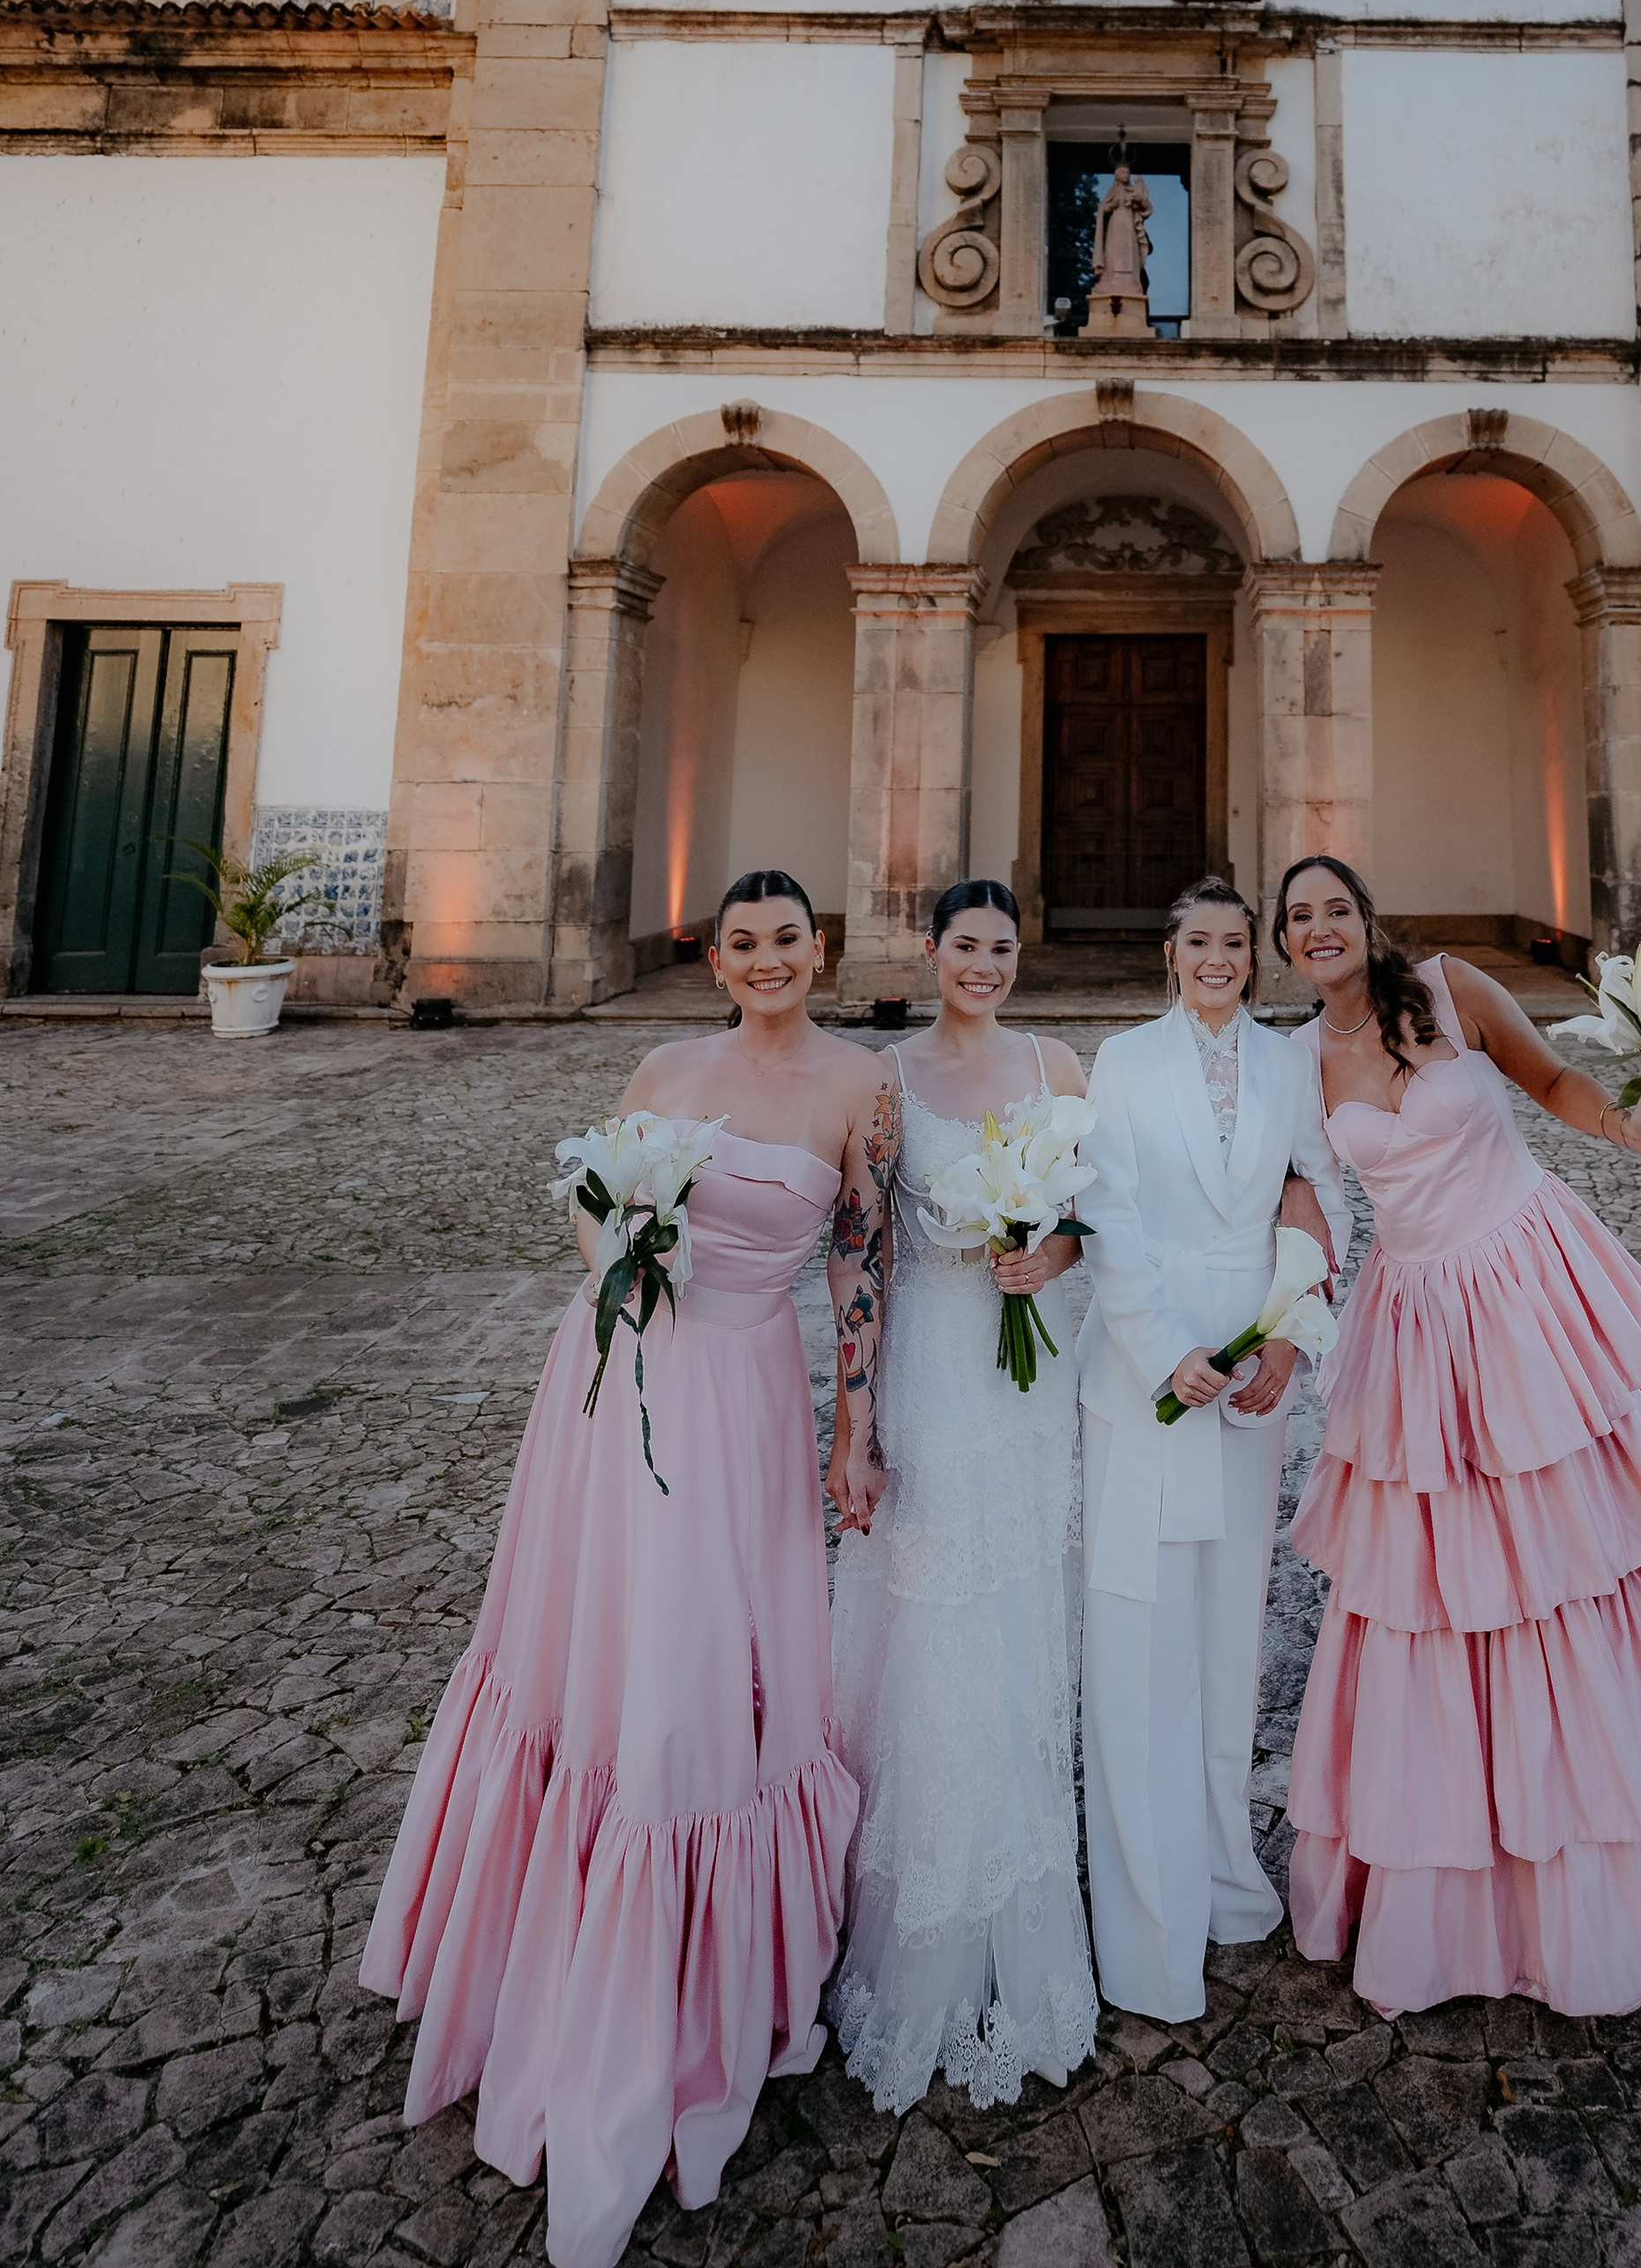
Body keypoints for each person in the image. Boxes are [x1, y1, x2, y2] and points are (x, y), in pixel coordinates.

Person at [360, 872, 888, 2268]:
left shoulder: (861, 1086)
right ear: (715, 957)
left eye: (788, 940)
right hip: (609, 1385)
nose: (766, 959)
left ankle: (680, 1964)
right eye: (743, 942)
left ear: (819, 950)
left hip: (742, 1397)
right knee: (594, 1653)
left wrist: (856, 1429)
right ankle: (544, 1940)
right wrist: (620, 1258)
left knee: (700, 1670)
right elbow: (593, 1200)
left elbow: (859, 1268)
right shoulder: (663, 1064)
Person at [1273, 854, 1641, 2023]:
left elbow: (1550, 1078)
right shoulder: (1295, 1063)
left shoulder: (1451, 988)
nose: (1320, 928)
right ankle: (1465, 1866)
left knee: (1574, 1561)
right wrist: (1277, 1325)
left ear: (1368, 917)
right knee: (1440, 1590)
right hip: (1416, 1325)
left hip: (1527, 1288)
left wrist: (1631, 1127)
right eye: (1299, 917)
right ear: (1285, 943)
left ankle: (1610, 1838)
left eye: (1337, 907)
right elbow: (1299, 1199)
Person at [826, 880, 1100, 2110]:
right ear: (931, 950)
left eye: (1003, 947)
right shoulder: (886, 1080)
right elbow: (863, 1246)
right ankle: (925, 1920)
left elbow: (1096, 1214)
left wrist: (1053, 1252)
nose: (984, 964)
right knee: (940, 1630)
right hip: (936, 1373)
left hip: (1032, 1387)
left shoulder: (1059, 1067)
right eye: (966, 945)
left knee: (1021, 1623)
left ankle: (1021, 1901)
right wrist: (857, 1418)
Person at [1077, 876, 1352, 2021]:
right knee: (1146, 1632)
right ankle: (1149, 1912)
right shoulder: (1122, 1061)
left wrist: (1288, 1333)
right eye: (1198, 941)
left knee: (1233, 1627)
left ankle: (1228, 1869)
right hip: (1150, 1369)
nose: (1218, 958)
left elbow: (1318, 1193)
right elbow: (1106, 1213)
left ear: (1255, 955)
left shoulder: (1289, 1064)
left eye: (1235, 942)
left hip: (1253, 1376)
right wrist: (1163, 1350)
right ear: (1170, 952)